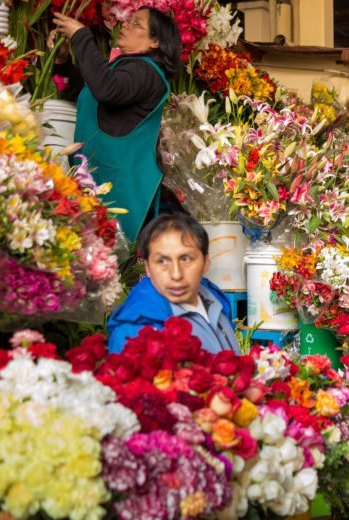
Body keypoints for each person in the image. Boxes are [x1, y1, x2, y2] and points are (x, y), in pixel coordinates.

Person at [51, 8, 181, 242]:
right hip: (97, 178)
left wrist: (81, 36)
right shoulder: (126, 67)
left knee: (107, 257)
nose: (126, 25)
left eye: (136, 24)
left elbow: (106, 89)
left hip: (117, 187)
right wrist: (63, 62)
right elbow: (91, 89)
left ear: (155, 41)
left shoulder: (145, 72)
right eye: (128, 20)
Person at [106, 213, 239, 353]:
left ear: (206, 262)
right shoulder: (134, 334)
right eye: (162, 261)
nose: (176, 274)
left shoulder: (215, 301)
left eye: (186, 259)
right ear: (148, 268)